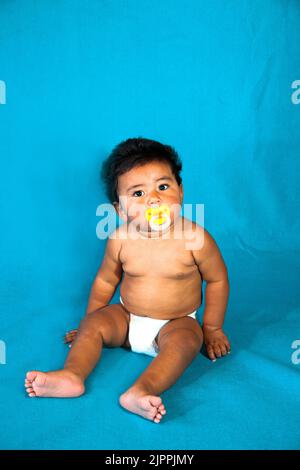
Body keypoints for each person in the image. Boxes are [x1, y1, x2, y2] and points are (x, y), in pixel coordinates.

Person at [25, 137, 230, 424]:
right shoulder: (120, 239)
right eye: (137, 193)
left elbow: (218, 280)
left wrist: (212, 328)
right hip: (126, 317)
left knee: (188, 340)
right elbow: (106, 281)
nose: (153, 199)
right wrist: (90, 322)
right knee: (94, 325)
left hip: (176, 321)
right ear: (120, 209)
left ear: (180, 192)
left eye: (163, 186)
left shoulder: (196, 239)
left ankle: (141, 391)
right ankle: (72, 376)